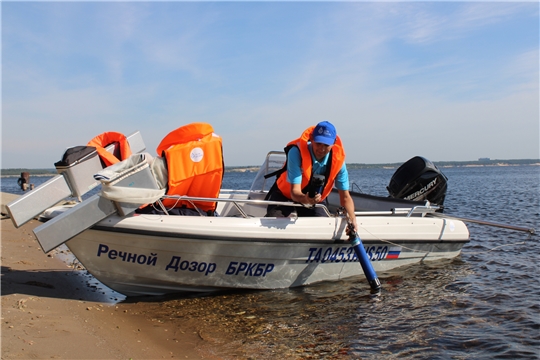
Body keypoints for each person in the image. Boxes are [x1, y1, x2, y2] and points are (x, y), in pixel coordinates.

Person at [265, 121, 358, 233]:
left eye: (326, 145)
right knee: (274, 226)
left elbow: (345, 197)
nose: (321, 149)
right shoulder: (296, 153)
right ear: (312, 139)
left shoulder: (338, 162)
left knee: (323, 229)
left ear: (334, 143)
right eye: (318, 143)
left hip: (315, 200)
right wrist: (305, 199)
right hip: (285, 196)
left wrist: (352, 219)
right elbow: (295, 192)